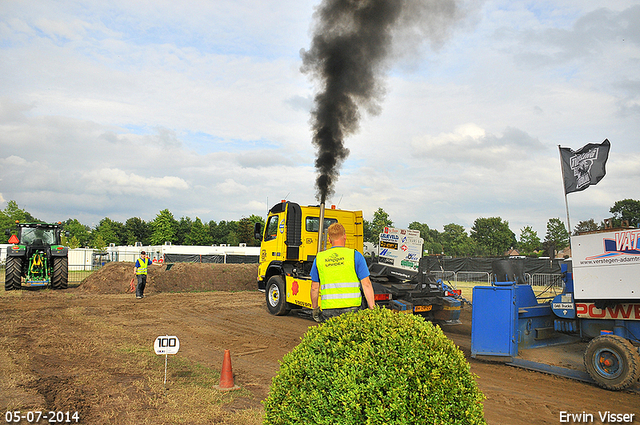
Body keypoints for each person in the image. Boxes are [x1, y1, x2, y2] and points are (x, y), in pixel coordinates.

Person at [310, 223, 375, 322]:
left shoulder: (319, 258)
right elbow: (366, 285)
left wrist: (315, 309)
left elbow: (314, 288)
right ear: (345, 236)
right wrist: (372, 309)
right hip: (353, 309)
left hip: (329, 309)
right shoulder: (355, 255)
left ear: (329, 240)